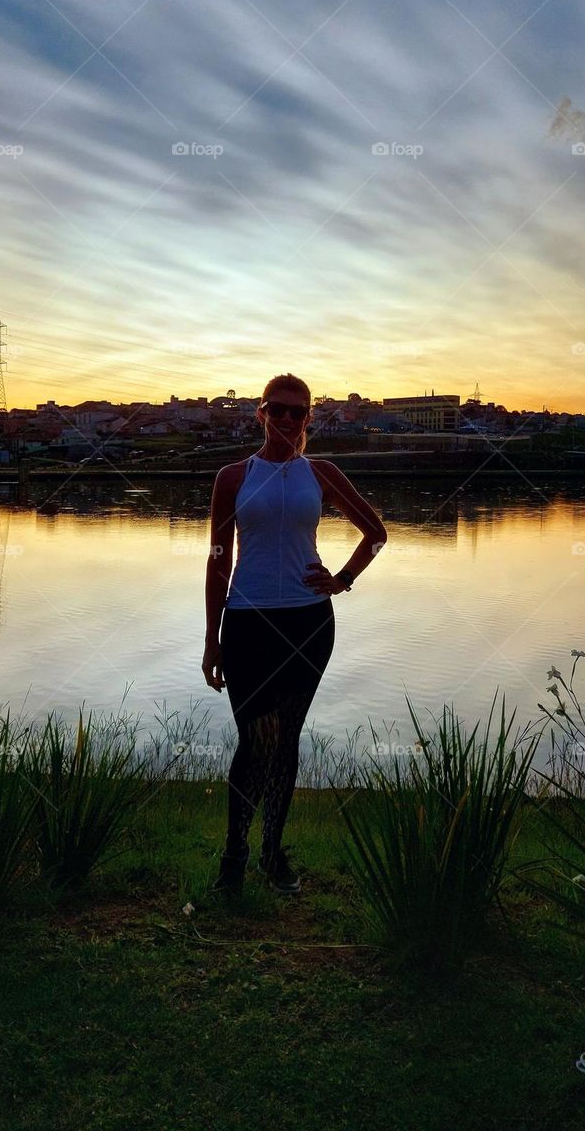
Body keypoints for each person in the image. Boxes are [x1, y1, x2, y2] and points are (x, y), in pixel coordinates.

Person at [202, 372, 388, 896]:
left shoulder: (321, 473)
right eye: (275, 409)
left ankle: (271, 852)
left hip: (308, 623)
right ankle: (235, 854)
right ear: (260, 413)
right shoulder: (233, 477)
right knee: (254, 742)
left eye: (296, 412)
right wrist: (211, 638)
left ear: (308, 419)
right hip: (247, 620)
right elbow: (219, 558)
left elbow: (376, 534)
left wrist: (342, 580)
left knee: (286, 742)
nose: (285, 418)